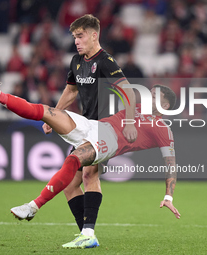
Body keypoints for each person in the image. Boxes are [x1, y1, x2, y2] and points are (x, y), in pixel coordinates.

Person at [0, 66, 181, 249]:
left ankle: (34, 206)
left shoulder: (162, 128)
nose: (149, 97)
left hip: (110, 142)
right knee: (47, 113)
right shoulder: (135, 108)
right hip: (95, 127)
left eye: (154, 96)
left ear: (165, 105)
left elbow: (171, 163)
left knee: (75, 161)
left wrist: (168, 196)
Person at [40, 14, 137, 248]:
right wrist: (52, 115)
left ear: (94, 35)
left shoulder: (106, 61)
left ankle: (89, 234)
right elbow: (71, 92)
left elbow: (128, 93)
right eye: (74, 37)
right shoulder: (76, 61)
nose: (76, 41)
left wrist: (131, 122)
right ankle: (86, 233)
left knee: (89, 174)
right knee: (70, 184)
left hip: (105, 127)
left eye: (80, 36)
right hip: (86, 128)